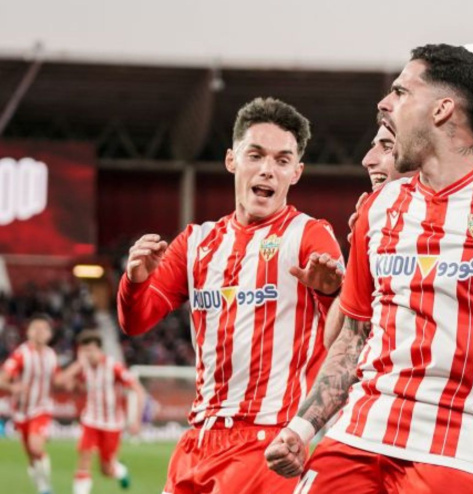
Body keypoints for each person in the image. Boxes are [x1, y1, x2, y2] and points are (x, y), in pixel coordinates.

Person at [266, 44, 473, 494]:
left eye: (402, 92)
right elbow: (354, 338)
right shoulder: (378, 208)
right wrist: (302, 430)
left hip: (455, 452)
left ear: (442, 109)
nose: (387, 105)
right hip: (357, 436)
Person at [117, 97, 345, 494]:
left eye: (282, 160)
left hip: (267, 444)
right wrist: (135, 280)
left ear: (297, 172)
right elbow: (136, 321)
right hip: (197, 441)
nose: (267, 170)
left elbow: (349, 335)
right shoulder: (196, 242)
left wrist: (330, 295)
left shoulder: (310, 235)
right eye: (255, 155)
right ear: (231, 160)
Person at [323, 68, 473, 348]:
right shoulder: (376, 218)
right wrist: (351, 276)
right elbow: (337, 344)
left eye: (386, 146)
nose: (368, 159)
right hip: (373, 387)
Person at [55, 330, 146, 494]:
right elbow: (60, 382)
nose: (88, 354)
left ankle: (120, 470)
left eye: (91, 350)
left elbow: (138, 390)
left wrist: (136, 420)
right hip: (90, 420)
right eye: (84, 351)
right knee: (84, 457)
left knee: (106, 470)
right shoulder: (83, 367)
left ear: (99, 350)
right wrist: (78, 365)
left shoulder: (114, 367)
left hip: (112, 424)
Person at [0, 315, 58, 494]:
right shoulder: (20, 354)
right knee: (32, 456)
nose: (40, 332)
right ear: (28, 332)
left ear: (50, 334)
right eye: (36, 328)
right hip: (22, 411)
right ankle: (42, 486)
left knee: (35, 446)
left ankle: (46, 487)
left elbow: (57, 380)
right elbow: (2, 380)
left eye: (44, 328)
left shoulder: (51, 355)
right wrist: (13, 387)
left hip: (42, 408)